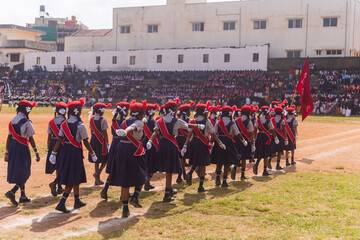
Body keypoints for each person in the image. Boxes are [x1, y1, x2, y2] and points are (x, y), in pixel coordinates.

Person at [146, 98, 205, 202]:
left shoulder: (160, 120)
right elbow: (187, 126)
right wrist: (198, 126)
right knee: (169, 171)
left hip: (161, 145)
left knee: (166, 168)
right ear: (173, 110)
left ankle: (170, 189)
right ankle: (166, 195)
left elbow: (155, 132)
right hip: (171, 146)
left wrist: (150, 141)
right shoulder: (176, 121)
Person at [50, 98, 97, 213]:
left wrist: (53, 153)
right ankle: (62, 203)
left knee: (76, 176)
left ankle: (76, 200)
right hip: (75, 153)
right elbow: (85, 141)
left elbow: (59, 139)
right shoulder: (80, 125)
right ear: (77, 111)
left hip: (65, 151)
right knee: (73, 177)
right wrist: (92, 153)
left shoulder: (64, 124)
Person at [110, 100, 147, 218]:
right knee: (142, 173)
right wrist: (126, 131)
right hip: (134, 151)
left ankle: (125, 209)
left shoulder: (124, 121)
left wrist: (124, 131)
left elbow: (129, 127)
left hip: (121, 150)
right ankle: (135, 197)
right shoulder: (139, 123)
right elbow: (133, 127)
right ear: (140, 114)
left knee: (125, 181)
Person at [182, 101, 225, 192]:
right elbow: (213, 134)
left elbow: (189, 135)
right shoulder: (207, 121)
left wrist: (185, 146)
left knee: (197, 160)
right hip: (202, 143)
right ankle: (200, 186)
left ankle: (190, 172)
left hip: (193, 142)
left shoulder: (193, 121)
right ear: (204, 111)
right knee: (203, 164)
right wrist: (220, 143)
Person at [4, 100, 40, 206]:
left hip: (12, 148)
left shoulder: (12, 121)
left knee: (19, 171)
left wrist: (6, 152)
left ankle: (23, 196)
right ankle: (12, 191)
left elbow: (9, 137)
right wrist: (36, 152)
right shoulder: (27, 122)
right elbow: (31, 138)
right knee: (25, 171)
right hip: (22, 147)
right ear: (26, 110)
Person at [211, 106, 247, 188]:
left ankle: (217, 178)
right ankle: (224, 181)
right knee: (227, 163)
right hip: (229, 142)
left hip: (219, 142)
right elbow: (237, 133)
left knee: (219, 162)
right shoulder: (232, 122)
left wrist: (211, 142)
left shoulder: (218, 122)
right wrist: (243, 140)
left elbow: (214, 133)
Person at [101, 101, 130, 200]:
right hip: (122, 144)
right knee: (124, 168)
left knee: (113, 168)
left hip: (114, 144)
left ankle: (105, 189)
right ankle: (124, 194)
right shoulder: (125, 122)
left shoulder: (114, 120)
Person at [88, 103, 111, 185]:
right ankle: (98, 172)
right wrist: (107, 143)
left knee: (96, 159)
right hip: (102, 140)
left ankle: (97, 180)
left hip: (93, 139)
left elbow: (91, 131)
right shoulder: (103, 120)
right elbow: (105, 132)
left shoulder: (91, 119)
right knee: (106, 158)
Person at [47, 102, 67, 197]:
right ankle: (56, 183)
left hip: (53, 144)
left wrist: (49, 149)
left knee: (58, 165)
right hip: (63, 145)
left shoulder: (51, 122)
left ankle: (59, 186)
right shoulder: (66, 121)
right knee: (62, 165)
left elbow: (49, 137)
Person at [231, 105, 256, 180]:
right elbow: (251, 133)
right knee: (244, 158)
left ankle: (234, 168)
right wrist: (253, 144)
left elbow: (233, 131)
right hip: (245, 139)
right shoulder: (249, 122)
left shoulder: (235, 120)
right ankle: (242, 174)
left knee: (237, 156)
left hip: (236, 139)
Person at [253, 106, 279, 176]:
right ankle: (265, 170)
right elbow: (272, 130)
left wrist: (255, 137)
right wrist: (275, 138)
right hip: (266, 137)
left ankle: (256, 163)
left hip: (259, 136)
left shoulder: (258, 119)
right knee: (266, 154)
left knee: (260, 152)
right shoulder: (268, 120)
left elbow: (255, 129)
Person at [176, 101, 195, 183]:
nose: (190, 112)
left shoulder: (177, 120)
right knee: (185, 159)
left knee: (181, 159)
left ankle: (181, 175)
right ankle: (182, 174)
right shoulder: (190, 121)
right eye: (189, 111)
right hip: (187, 141)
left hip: (179, 140)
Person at [143, 103, 160, 191]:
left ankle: (146, 179)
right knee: (152, 162)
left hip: (143, 143)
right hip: (152, 143)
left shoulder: (142, 121)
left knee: (145, 162)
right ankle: (148, 180)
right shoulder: (155, 122)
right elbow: (157, 133)